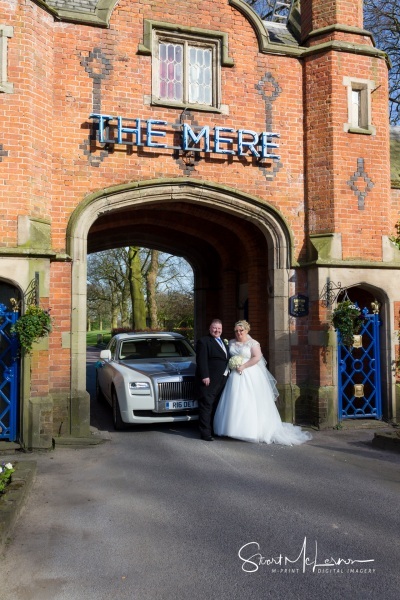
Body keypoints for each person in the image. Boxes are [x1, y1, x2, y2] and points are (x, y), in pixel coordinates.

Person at [213, 320, 312, 445]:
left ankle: (250, 431)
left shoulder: (253, 343)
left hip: (249, 373)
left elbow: (257, 357)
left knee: (249, 401)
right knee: (234, 400)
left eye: (241, 330)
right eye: (236, 331)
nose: (238, 333)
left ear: (247, 330)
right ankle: (232, 429)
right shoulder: (231, 342)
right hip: (234, 376)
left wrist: (243, 366)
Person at [195, 319, 229, 441]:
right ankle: (205, 433)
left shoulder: (224, 342)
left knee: (216, 405)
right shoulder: (204, 341)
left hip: (222, 379)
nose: (217, 330)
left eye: (219, 328)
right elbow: (201, 360)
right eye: (214, 328)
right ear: (210, 328)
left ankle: (214, 430)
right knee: (206, 405)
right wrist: (205, 376)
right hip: (209, 380)